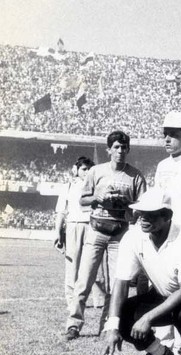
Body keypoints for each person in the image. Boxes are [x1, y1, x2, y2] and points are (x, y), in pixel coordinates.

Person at [102, 188, 181, 355]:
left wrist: (148, 318)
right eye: (141, 214)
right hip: (159, 293)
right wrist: (113, 326)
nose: (143, 219)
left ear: (167, 216)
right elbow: (121, 281)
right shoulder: (133, 237)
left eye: (150, 215)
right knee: (123, 314)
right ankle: (159, 354)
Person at [65, 131, 147, 340]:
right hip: (97, 230)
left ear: (128, 149)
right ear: (108, 149)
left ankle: (109, 325)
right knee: (84, 279)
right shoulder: (96, 171)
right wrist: (98, 197)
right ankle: (74, 324)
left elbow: (143, 207)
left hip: (120, 233)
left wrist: (124, 203)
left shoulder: (136, 176)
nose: (120, 151)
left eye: (124, 147)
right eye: (116, 147)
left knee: (117, 283)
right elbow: (82, 200)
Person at [54, 157, 107, 313]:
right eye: (84, 169)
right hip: (74, 226)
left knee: (95, 265)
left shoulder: (96, 187)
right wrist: (57, 233)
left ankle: (100, 300)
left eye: (89, 169)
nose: (86, 172)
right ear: (75, 169)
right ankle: (72, 301)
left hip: (93, 226)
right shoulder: (68, 187)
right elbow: (61, 212)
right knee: (73, 266)